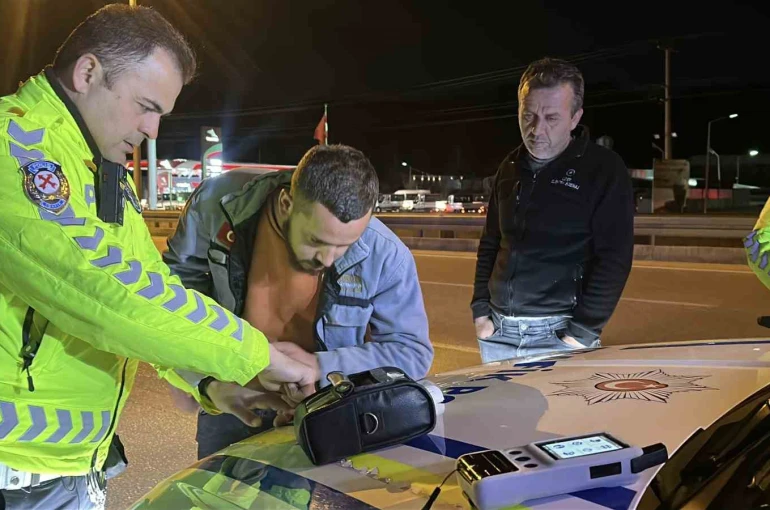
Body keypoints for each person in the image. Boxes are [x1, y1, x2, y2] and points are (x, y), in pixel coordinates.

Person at [0, 5, 315, 509]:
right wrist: (256, 354)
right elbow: (105, 293)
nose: (151, 131)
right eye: (146, 106)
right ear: (88, 73)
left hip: (70, 468)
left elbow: (149, 289)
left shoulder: (101, 169)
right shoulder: (14, 147)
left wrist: (211, 384)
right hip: (13, 474)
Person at [162, 143, 434, 458]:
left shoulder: (386, 254)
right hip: (233, 396)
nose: (328, 259)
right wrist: (201, 381)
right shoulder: (217, 206)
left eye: (345, 245)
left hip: (325, 407)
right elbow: (171, 298)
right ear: (286, 203)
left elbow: (412, 352)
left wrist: (319, 366)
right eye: (316, 241)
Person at [471, 57, 634, 363]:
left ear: (575, 118)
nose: (536, 129)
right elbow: (491, 241)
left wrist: (583, 330)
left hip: (560, 335)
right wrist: (480, 309)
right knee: (498, 412)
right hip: (497, 332)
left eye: (551, 118)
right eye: (528, 115)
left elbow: (615, 257)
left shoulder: (602, 170)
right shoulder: (509, 166)